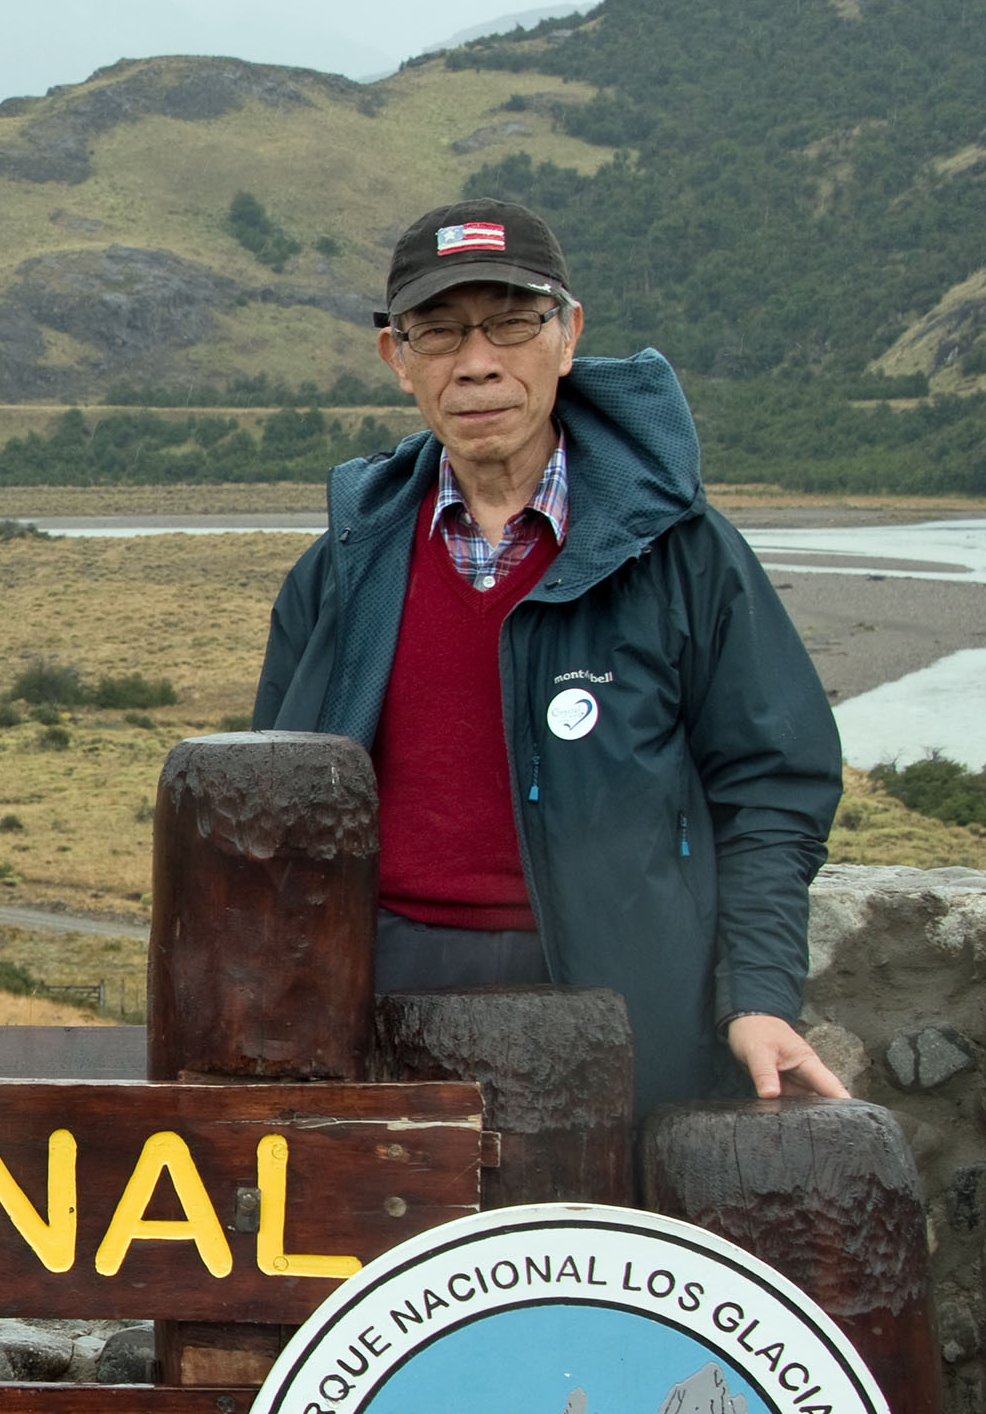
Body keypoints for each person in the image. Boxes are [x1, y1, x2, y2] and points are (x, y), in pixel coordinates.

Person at [251, 198, 848, 1112]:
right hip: (379, 997)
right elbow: (275, 800)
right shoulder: (342, 569)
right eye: (438, 332)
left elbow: (771, 787)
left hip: (622, 1002)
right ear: (397, 358)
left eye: (512, 324)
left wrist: (759, 996)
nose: (476, 362)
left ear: (568, 336)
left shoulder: (679, 553)